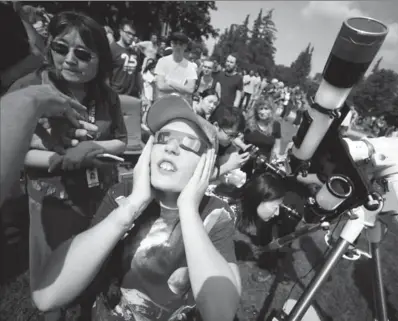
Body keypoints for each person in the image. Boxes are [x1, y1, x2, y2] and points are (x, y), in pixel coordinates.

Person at [29, 94, 241, 321]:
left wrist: (188, 209)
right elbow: (47, 296)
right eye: (164, 137)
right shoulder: (123, 194)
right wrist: (132, 205)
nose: (170, 148)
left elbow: (221, 313)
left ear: (206, 163)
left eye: (189, 143)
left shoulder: (216, 214)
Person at [6, 11, 128, 319]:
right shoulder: (30, 87)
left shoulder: (107, 97)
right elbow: (11, 153)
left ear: (100, 60)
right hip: (49, 200)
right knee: (52, 280)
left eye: (83, 54)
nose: (70, 59)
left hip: (96, 198)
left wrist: (94, 147)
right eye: (61, 48)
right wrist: (59, 161)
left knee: (87, 270)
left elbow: (122, 142)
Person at [242, 96, 282, 178]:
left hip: (263, 165)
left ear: (271, 110)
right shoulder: (249, 123)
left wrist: (275, 159)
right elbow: (236, 138)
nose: (263, 112)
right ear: (256, 110)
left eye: (266, 108)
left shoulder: (276, 125)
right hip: (244, 161)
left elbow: (277, 147)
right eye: (260, 109)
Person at [154, 32, 198, 103]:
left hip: (180, 104)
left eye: (181, 44)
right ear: (171, 44)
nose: (178, 46)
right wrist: (182, 88)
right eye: (175, 43)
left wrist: (171, 83)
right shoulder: (162, 61)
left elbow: (190, 89)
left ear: (185, 46)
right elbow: (161, 86)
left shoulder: (190, 66)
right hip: (163, 102)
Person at [109, 19, 142, 97]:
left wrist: (142, 93)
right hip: (115, 95)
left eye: (133, 34)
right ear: (120, 31)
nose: (131, 37)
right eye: (128, 33)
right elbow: (104, 75)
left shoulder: (136, 53)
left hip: (132, 95)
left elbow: (138, 74)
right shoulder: (112, 49)